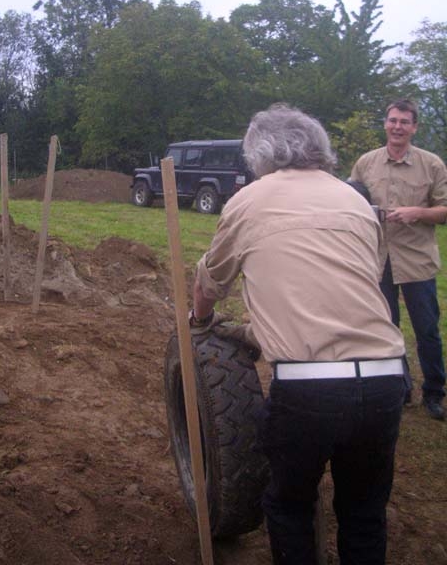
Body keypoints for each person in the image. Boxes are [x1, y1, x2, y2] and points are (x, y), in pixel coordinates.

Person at [190, 103, 406, 565]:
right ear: (319, 149)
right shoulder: (356, 201)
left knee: (289, 505)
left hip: (309, 390)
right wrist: (260, 330)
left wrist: (200, 321)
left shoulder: (248, 201)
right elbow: (354, 287)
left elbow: (211, 282)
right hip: (387, 378)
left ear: (259, 155)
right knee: (364, 511)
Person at [351, 99, 447, 421]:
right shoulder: (366, 163)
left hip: (416, 261)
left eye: (405, 122)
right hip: (377, 260)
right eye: (393, 120)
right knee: (386, 327)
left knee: (426, 329)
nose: (397, 127)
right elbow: (352, 202)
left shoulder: (432, 164)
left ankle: (434, 392)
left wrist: (417, 213)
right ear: (385, 124)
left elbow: (445, 210)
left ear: (414, 127)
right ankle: (400, 387)